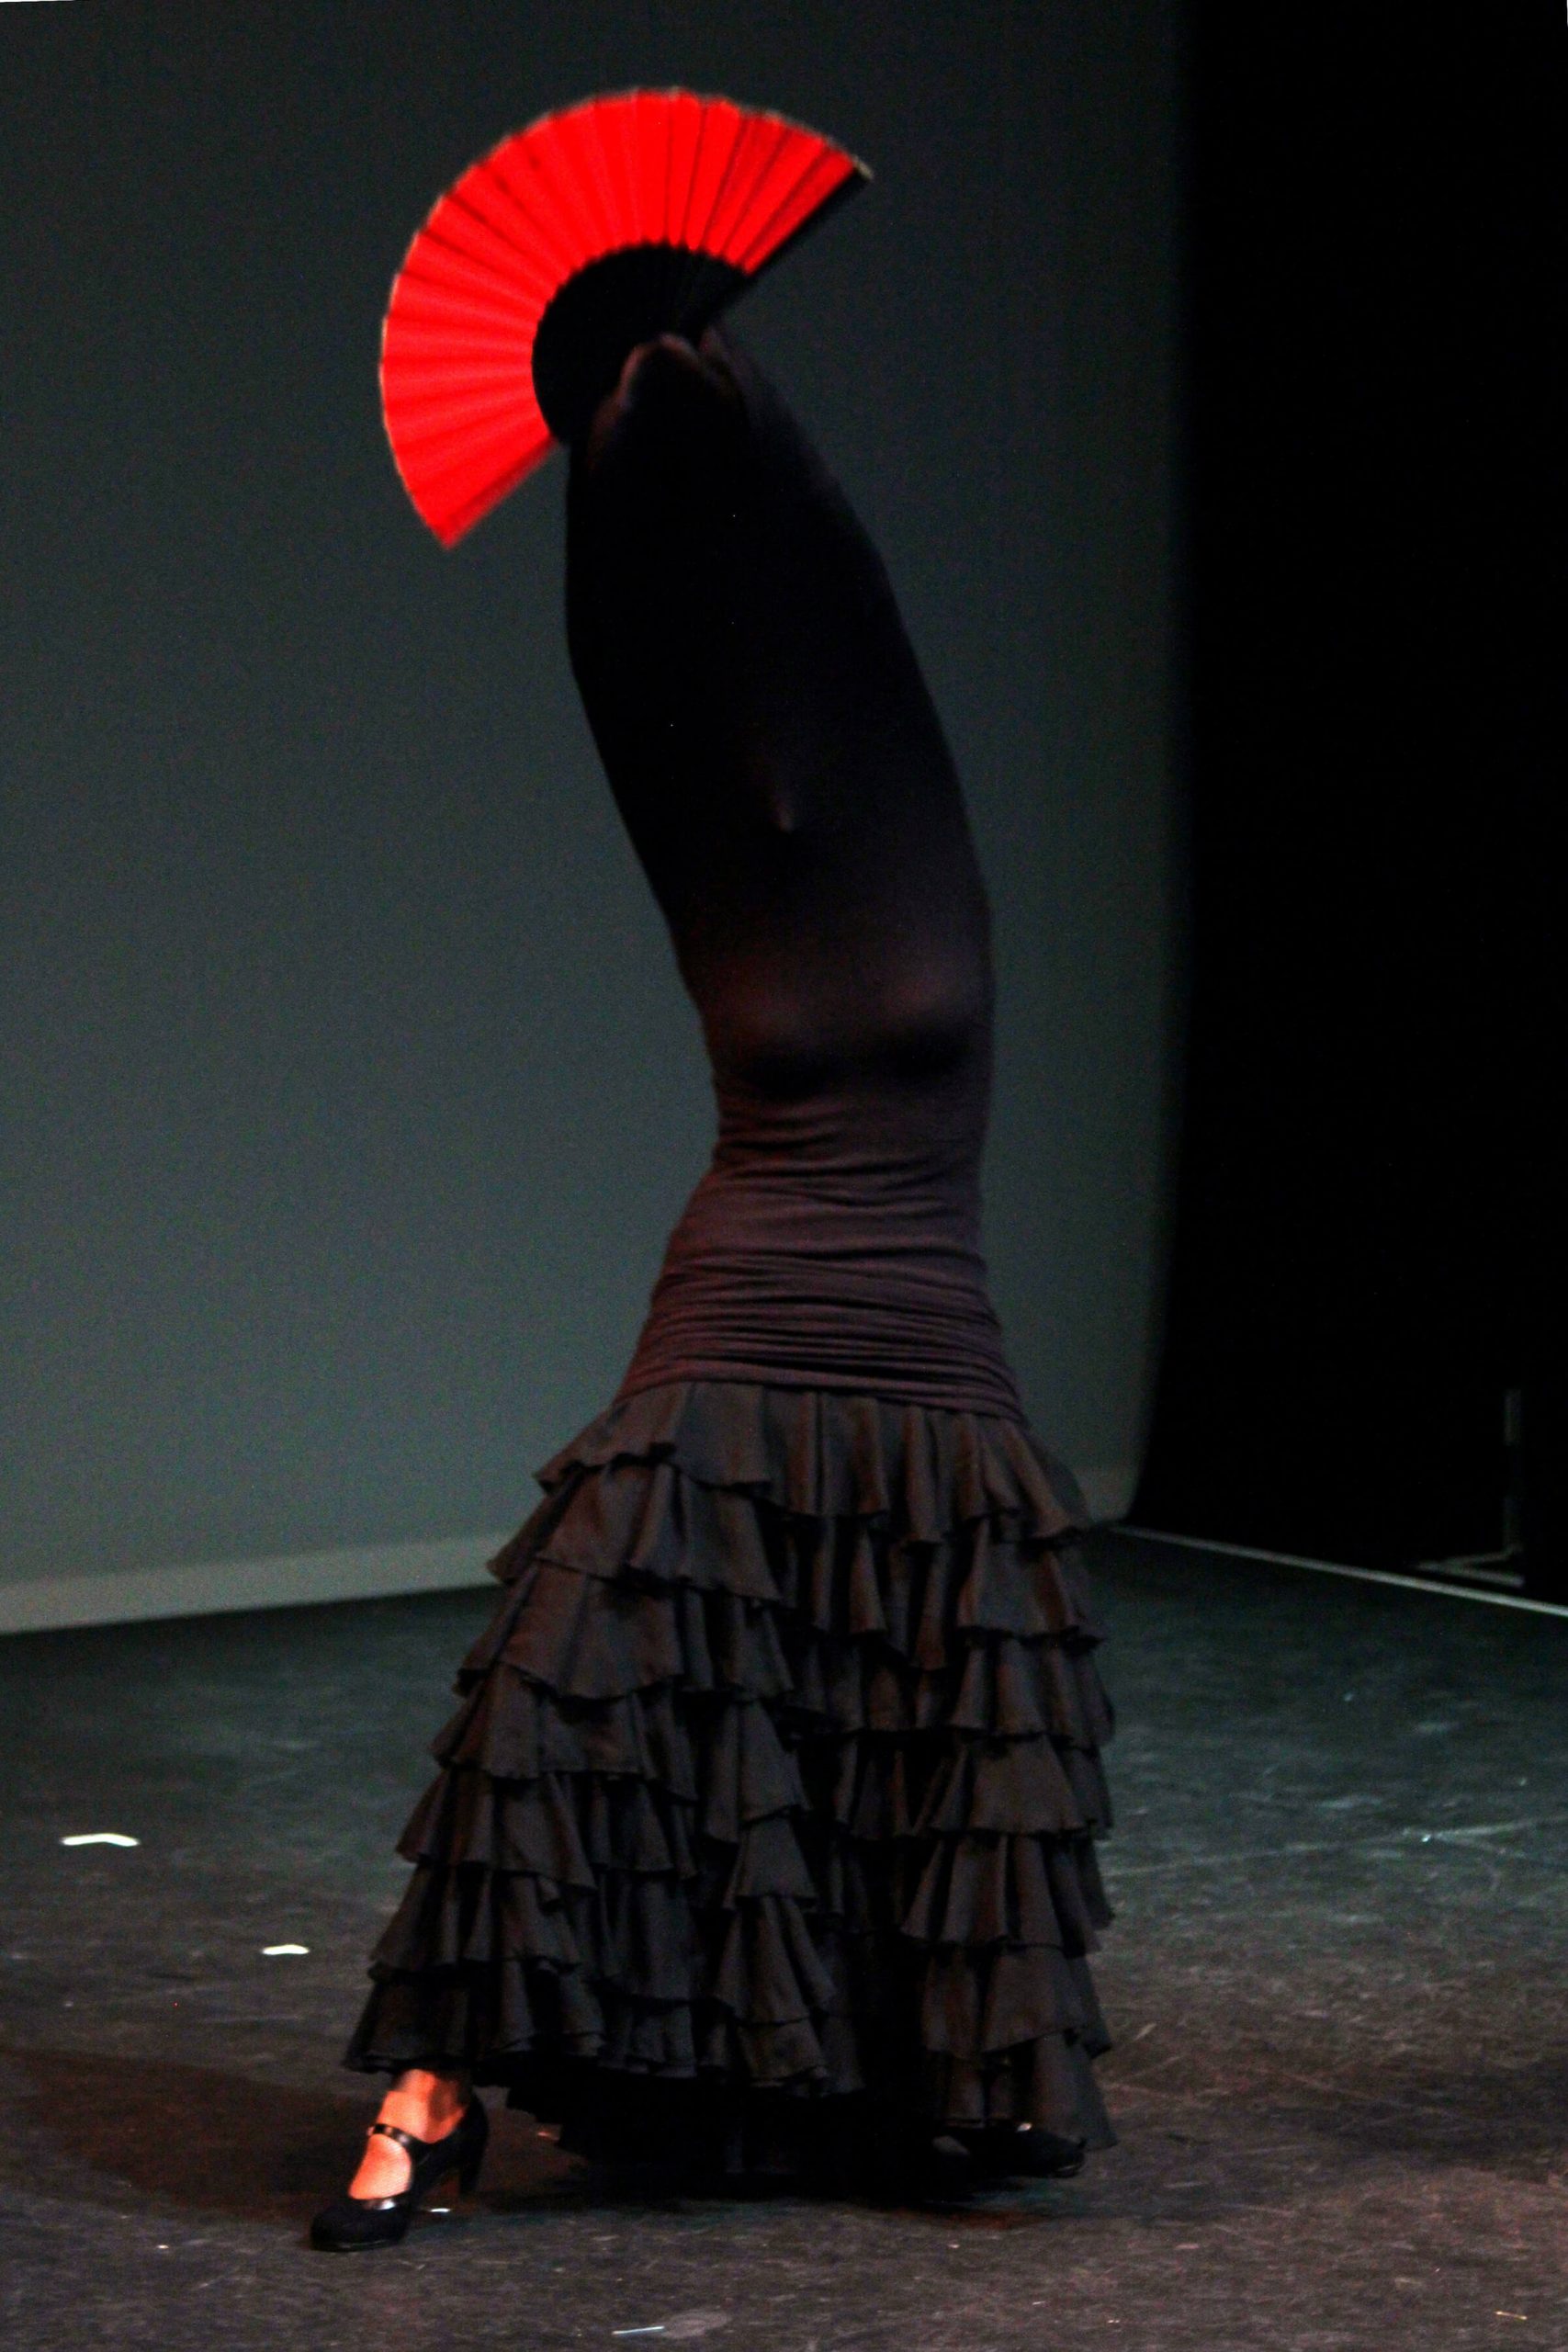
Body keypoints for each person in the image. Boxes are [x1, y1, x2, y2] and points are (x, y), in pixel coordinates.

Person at [310, 322, 1115, 2252]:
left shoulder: (886, 781)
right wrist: (604, 428)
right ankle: (433, 2086)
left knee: (906, 1695)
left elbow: (822, 574)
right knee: (570, 1674)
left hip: (917, 1312)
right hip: (751, 1279)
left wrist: (715, 378)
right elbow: (625, 635)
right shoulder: (679, 780)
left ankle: (881, 2070)